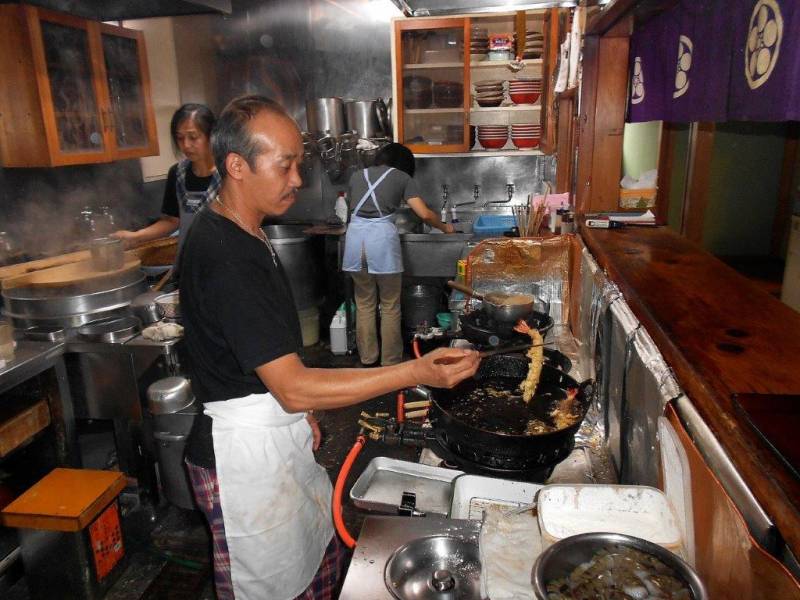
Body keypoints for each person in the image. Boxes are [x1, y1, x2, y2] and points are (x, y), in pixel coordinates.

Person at [179, 95, 480, 600]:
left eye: (300, 163)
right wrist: (414, 373)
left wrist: (295, 412)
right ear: (237, 166)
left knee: (313, 568)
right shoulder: (225, 252)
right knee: (270, 587)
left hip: (274, 436)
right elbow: (294, 386)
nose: (298, 179)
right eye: (286, 165)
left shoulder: (246, 232)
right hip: (242, 463)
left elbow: (270, 372)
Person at [342, 143, 454, 367]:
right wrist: (444, 227)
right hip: (380, 242)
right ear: (404, 163)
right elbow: (423, 213)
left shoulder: (357, 176)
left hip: (354, 241)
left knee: (364, 303)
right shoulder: (402, 177)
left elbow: (350, 208)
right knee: (390, 304)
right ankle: (390, 361)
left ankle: (367, 358)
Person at [112, 104, 220, 249]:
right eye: (180, 138)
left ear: (211, 136)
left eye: (193, 137)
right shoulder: (177, 173)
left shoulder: (228, 174)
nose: (186, 145)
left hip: (223, 263)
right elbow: (171, 221)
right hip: (188, 260)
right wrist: (135, 236)